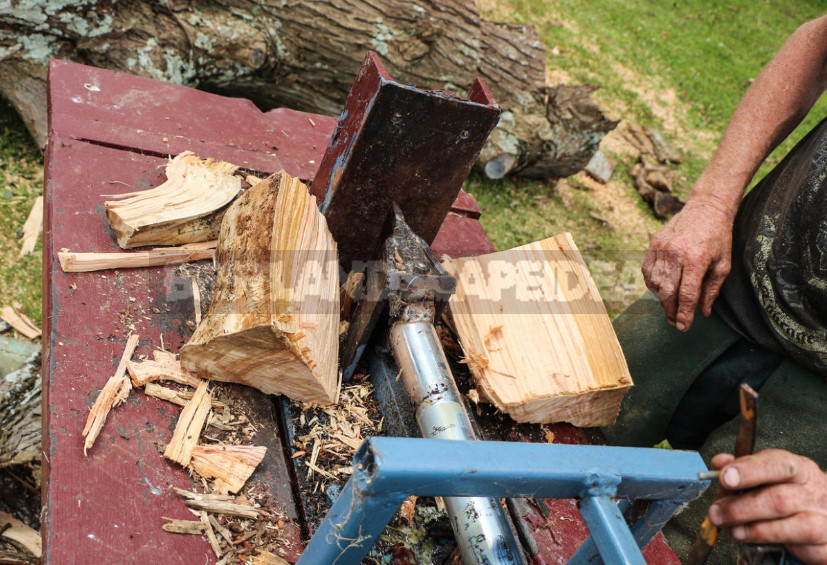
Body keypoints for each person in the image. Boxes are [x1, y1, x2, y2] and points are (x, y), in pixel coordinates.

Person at [603, 14, 827, 564]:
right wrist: (711, 202)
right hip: (724, 287)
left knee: (694, 550)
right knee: (542, 427)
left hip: (818, 410)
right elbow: (820, 43)